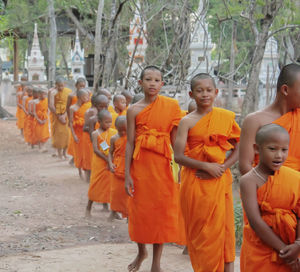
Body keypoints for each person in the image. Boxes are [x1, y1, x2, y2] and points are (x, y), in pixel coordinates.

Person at [174, 73, 240, 272]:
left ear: (216, 92)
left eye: (209, 90)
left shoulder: (226, 117)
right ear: (191, 94)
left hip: (219, 181)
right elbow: (178, 156)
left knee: (225, 231)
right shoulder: (186, 122)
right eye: (199, 91)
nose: (205, 94)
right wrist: (206, 167)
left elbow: (240, 146)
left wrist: (222, 167)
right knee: (202, 235)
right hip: (195, 183)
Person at [125, 66, 182, 272]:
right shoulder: (133, 110)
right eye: (148, 79)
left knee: (161, 212)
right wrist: (126, 175)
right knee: (139, 212)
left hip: (162, 166)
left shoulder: (171, 106)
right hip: (140, 167)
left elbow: (176, 141)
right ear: (140, 82)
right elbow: (130, 143)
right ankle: (141, 251)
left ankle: (156, 262)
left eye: (157, 80)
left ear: (162, 84)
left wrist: (181, 166)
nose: (152, 83)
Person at [240, 124, 300, 271]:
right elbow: (255, 221)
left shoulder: (295, 177)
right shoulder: (248, 180)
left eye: (284, 150)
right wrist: (285, 251)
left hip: (293, 246)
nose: (279, 155)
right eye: (272, 149)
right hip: (260, 247)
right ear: (256, 148)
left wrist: (297, 245)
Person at [239, 63, 300, 174]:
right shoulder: (255, 121)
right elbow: (245, 166)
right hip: (264, 187)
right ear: (285, 90)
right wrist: (275, 187)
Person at [86, 109, 117, 216]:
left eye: (110, 122)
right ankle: (88, 208)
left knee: (110, 185)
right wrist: (106, 160)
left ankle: (112, 210)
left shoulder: (113, 132)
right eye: (106, 122)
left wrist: (111, 160)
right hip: (100, 162)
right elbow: (95, 149)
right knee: (96, 184)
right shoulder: (95, 133)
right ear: (99, 121)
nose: (109, 124)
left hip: (110, 161)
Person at [82, 94, 109, 182]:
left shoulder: (109, 118)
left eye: (106, 106)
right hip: (96, 145)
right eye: (101, 107)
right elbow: (92, 135)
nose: (104, 109)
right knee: (92, 163)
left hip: (106, 143)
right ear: (96, 107)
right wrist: (101, 145)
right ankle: (89, 180)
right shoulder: (93, 119)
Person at [108, 115, 128, 221]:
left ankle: (128, 215)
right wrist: (110, 163)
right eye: (121, 131)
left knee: (128, 194)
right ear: (115, 128)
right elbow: (110, 153)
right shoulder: (114, 138)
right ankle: (113, 212)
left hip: (128, 168)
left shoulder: (131, 137)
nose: (123, 133)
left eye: (125, 130)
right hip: (117, 167)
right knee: (115, 192)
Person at [69, 89, 91, 179]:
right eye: (86, 97)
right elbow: (70, 122)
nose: (88, 98)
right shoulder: (72, 108)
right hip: (77, 133)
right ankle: (79, 172)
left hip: (85, 132)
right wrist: (73, 135)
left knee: (86, 153)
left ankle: (86, 172)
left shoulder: (88, 106)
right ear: (81, 97)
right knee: (78, 154)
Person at [48, 77, 72, 159]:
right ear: (56, 85)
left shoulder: (68, 92)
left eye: (62, 86)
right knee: (58, 135)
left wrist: (64, 116)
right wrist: (59, 116)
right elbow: (50, 105)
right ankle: (59, 154)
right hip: (56, 116)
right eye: (59, 86)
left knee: (67, 134)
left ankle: (65, 153)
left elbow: (69, 105)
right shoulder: (52, 92)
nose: (61, 88)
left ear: (64, 85)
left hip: (66, 115)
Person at [66, 77, 87, 165]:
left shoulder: (86, 95)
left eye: (83, 86)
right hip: (74, 119)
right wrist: (69, 119)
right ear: (76, 86)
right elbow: (68, 107)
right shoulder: (71, 96)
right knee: (74, 140)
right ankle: (75, 157)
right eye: (80, 86)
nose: (82, 88)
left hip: (84, 120)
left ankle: (81, 159)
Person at [33, 87, 49, 152]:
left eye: (45, 94)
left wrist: (45, 119)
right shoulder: (35, 102)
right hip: (37, 119)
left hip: (45, 118)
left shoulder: (47, 100)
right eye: (43, 94)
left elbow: (47, 110)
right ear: (39, 94)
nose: (44, 96)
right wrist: (38, 119)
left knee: (45, 133)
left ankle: (43, 146)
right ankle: (40, 146)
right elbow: (34, 112)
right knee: (39, 133)